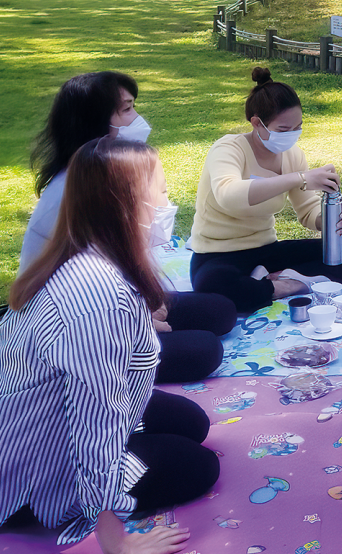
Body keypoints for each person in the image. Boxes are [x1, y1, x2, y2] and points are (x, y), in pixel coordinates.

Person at [0, 138, 220, 554]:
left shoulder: (88, 253)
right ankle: (65, 503)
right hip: (25, 464)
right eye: (161, 191)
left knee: (192, 422)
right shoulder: (95, 297)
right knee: (197, 466)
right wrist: (115, 543)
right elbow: (95, 422)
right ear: (126, 205)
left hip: (29, 416)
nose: (169, 201)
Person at [21, 71, 237, 384]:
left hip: (120, 303)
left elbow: (126, 257)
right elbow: (84, 298)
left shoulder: (109, 172)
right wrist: (141, 322)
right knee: (203, 350)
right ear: (92, 120)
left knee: (219, 310)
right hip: (83, 331)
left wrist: (149, 302)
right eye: (126, 110)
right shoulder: (74, 194)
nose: (137, 118)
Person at [189, 67, 342, 314]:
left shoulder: (292, 155)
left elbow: (307, 212)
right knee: (215, 289)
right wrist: (298, 178)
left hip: (267, 251)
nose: (292, 136)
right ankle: (283, 287)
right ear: (257, 123)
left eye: (298, 127)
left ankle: (271, 282)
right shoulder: (228, 148)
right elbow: (229, 194)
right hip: (218, 254)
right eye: (284, 130)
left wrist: (331, 220)